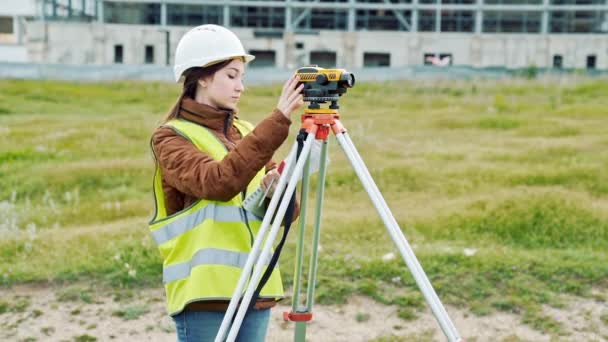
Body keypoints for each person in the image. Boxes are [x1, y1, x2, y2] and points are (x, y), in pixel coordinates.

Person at [148, 24, 304, 342]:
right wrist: (279, 119)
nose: (240, 87)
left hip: (255, 289)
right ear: (202, 76)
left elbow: (287, 216)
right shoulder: (171, 137)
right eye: (231, 76)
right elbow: (218, 182)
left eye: (242, 77)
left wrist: (279, 191)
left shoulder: (246, 132)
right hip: (206, 296)